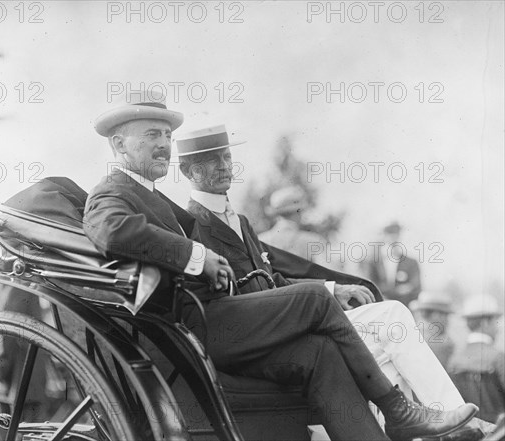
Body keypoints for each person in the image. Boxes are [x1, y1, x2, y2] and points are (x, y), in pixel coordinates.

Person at [82, 91, 477, 441]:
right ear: (118, 144)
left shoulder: (150, 195)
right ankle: (398, 411)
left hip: (208, 319)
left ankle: (391, 424)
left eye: (167, 136)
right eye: (151, 135)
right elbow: (111, 230)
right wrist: (199, 257)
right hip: (189, 328)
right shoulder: (111, 192)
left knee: (318, 351)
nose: (164, 144)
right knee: (312, 300)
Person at [176, 123, 494, 441]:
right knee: (390, 322)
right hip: (266, 335)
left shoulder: (241, 220)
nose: (223, 166)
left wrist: (334, 289)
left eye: (226, 156)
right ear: (189, 170)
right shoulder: (192, 227)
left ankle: (444, 427)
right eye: (210, 160)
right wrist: (317, 294)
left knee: (390, 333)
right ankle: (448, 426)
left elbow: (272, 278)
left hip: (291, 320)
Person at [449, 295, 505, 423]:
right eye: (495, 322)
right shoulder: (498, 357)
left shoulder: (455, 359)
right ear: (485, 322)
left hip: (468, 431)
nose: (498, 329)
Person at [364, 222, 422, 307]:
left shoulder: (411, 263)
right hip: (379, 306)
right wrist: (396, 291)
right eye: (389, 234)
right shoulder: (373, 262)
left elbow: (415, 287)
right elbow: (370, 285)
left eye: (396, 234)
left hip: (404, 306)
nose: (393, 238)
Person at [410, 291, 456, 368]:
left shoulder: (411, 333)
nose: (447, 321)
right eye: (446, 316)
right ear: (436, 315)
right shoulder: (443, 343)